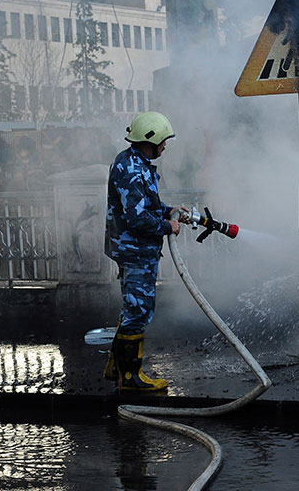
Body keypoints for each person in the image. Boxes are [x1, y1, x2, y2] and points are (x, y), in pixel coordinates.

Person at [103, 111, 185, 392]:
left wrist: (170, 211)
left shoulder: (136, 163)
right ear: (151, 140)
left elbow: (145, 206)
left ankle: (117, 366)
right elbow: (138, 219)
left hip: (135, 250)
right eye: (164, 141)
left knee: (132, 308)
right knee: (138, 310)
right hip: (135, 251)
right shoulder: (133, 169)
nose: (166, 146)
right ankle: (130, 378)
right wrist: (167, 226)